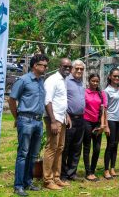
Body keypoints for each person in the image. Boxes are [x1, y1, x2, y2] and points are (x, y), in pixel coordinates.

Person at [9, 54, 49, 196]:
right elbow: (12, 99)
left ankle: (28, 182)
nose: (45, 67)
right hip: (25, 120)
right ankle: (18, 185)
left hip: (38, 122)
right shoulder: (24, 80)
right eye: (42, 65)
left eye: (46, 65)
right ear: (34, 65)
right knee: (23, 154)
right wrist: (17, 117)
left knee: (33, 155)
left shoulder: (41, 81)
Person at [43, 58, 72, 190]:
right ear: (59, 66)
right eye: (65, 66)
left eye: (69, 67)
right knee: (51, 148)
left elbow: (60, 101)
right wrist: (53, 121)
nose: (67, 69)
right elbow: (47, 101)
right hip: (53, 119)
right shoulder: (52, 80)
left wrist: (66, 116)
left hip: (62, 118)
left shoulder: (64, 80)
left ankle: (56, 177)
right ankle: (47, 180)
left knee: (60, 148)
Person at [61, 60, 86, 182]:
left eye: (81, 69)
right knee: (66, 147)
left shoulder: (81, 82)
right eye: (77, 68)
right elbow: (61, 100)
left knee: (76, 147)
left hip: (81, 119)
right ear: (72, 69)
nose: (79, 71)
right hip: (69, 119)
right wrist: (66, 114)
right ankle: (63, 174)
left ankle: (72, 173)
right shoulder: (66, 81)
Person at [83, 74, 108, 182]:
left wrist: (102, 125)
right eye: (93, 81)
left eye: (97, 81)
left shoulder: (102, 94)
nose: (95, 83)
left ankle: (93, 170)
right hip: (86, 122)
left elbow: (103, 110)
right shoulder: (84, 92)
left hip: (98, 123)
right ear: (89, 81)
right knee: (87, 147)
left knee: (97, 149)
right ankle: (88, 172)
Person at [103, 68, 119, 179]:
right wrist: (106, 125)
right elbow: (104, 109)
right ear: (110, 77)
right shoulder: (107, 91)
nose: (116, 78)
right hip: (111, 120)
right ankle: (106, 170)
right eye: (114, 76)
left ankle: (112, 168)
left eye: (118, 76)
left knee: (115, 145)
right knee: (110, 145)